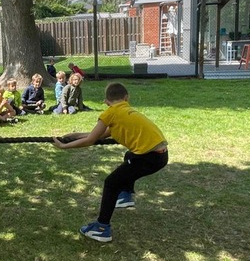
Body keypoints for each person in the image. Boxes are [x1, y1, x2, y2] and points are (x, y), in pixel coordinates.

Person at [53, 82, 168, 243]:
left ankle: (102, 228)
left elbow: (91, 140)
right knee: (129, 155)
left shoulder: (111, 113)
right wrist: (74, 135)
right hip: (160, 155)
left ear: (106, 102)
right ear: (126, 98)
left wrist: (64, 146)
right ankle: (126, 195)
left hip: (148, 158)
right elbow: (99, 135)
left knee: (111, 183)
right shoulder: (126, 111)